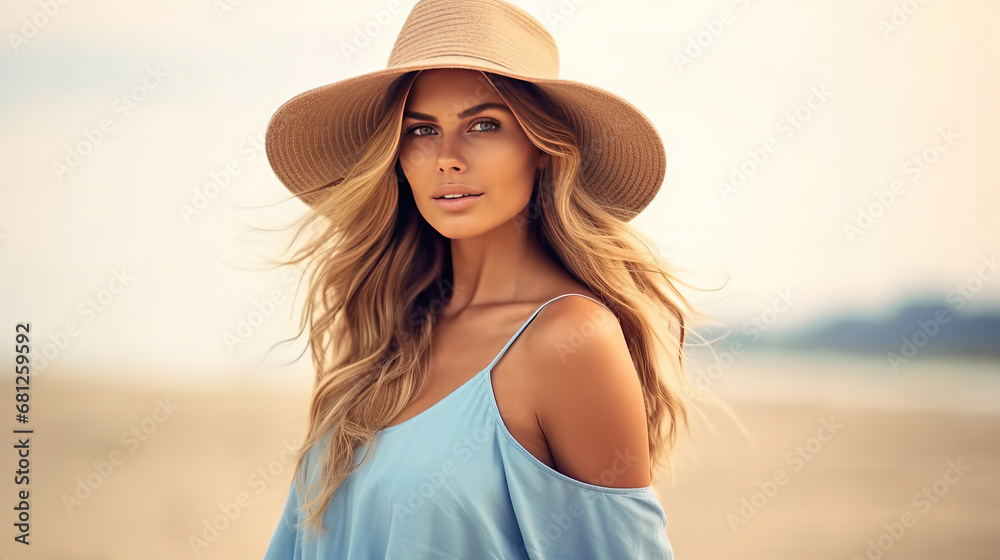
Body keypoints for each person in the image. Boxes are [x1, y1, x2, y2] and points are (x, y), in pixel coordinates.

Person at [261, 0, 709, 557]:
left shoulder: (571, 340)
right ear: (396, 155)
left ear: (543, 148)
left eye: (484, 124)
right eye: (422, 129)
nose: (447, 157)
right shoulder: (391, 330)